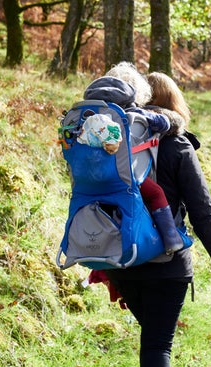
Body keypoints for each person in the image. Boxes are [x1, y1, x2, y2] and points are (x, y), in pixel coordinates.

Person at [99, 63, 211, 367]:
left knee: (151, 341)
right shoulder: (178, 146)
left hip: (122, 259)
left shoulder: (116, 142)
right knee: (157, 346)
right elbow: (202, 210)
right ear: (175, 105)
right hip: (167, 263)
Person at [82, 62, 184, 253]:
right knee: (155, 193)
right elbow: (163, 124)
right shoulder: (133, 113)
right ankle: (172, 238)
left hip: (88, 175)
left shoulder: (88, 114)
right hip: (122, 175)